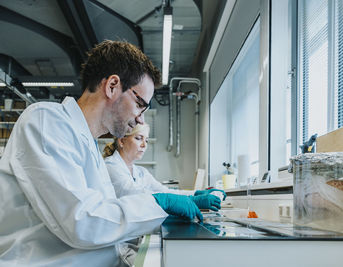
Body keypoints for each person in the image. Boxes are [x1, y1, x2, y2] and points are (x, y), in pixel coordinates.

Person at [0, 40, 200, 266]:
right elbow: (82, 222)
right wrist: (157, 203)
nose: (141, 119)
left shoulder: (88, 145)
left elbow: (106, 222)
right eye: (140, 104)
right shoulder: (46, 120)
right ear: (112, 86)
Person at [103, 123, 226, 211]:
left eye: (146, 140)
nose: (144, 145)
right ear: (121, 141)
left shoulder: (141, 172)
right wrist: (193, 201)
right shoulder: (111, 166)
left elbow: (164, 192)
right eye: (138, 138)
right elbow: (135, 194)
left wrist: (196, 194)